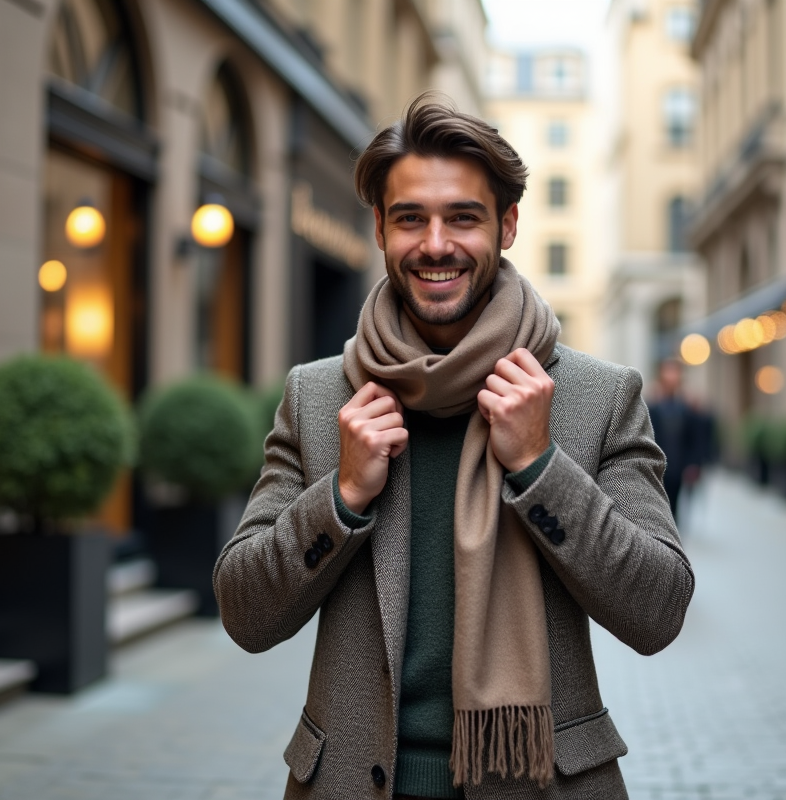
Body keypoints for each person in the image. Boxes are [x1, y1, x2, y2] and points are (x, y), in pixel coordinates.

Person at [214, 94, 694, 800]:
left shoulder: (597, 396)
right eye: (410, 218)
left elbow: (658, 611)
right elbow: (246, 615)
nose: (435, 244)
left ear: (507, 225)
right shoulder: (319, 399)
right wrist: (341, 498)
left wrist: (540, 468)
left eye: (462, 217)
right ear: (379, 227)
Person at [646, 359, 701, 518]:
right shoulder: (653, 408)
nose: (672, 377)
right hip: (657, 468)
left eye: (675, 372)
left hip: (678, 467)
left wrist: (693, 464)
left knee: (674, 509)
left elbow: (693, 439)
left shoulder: (685, 409)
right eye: (668, 372)